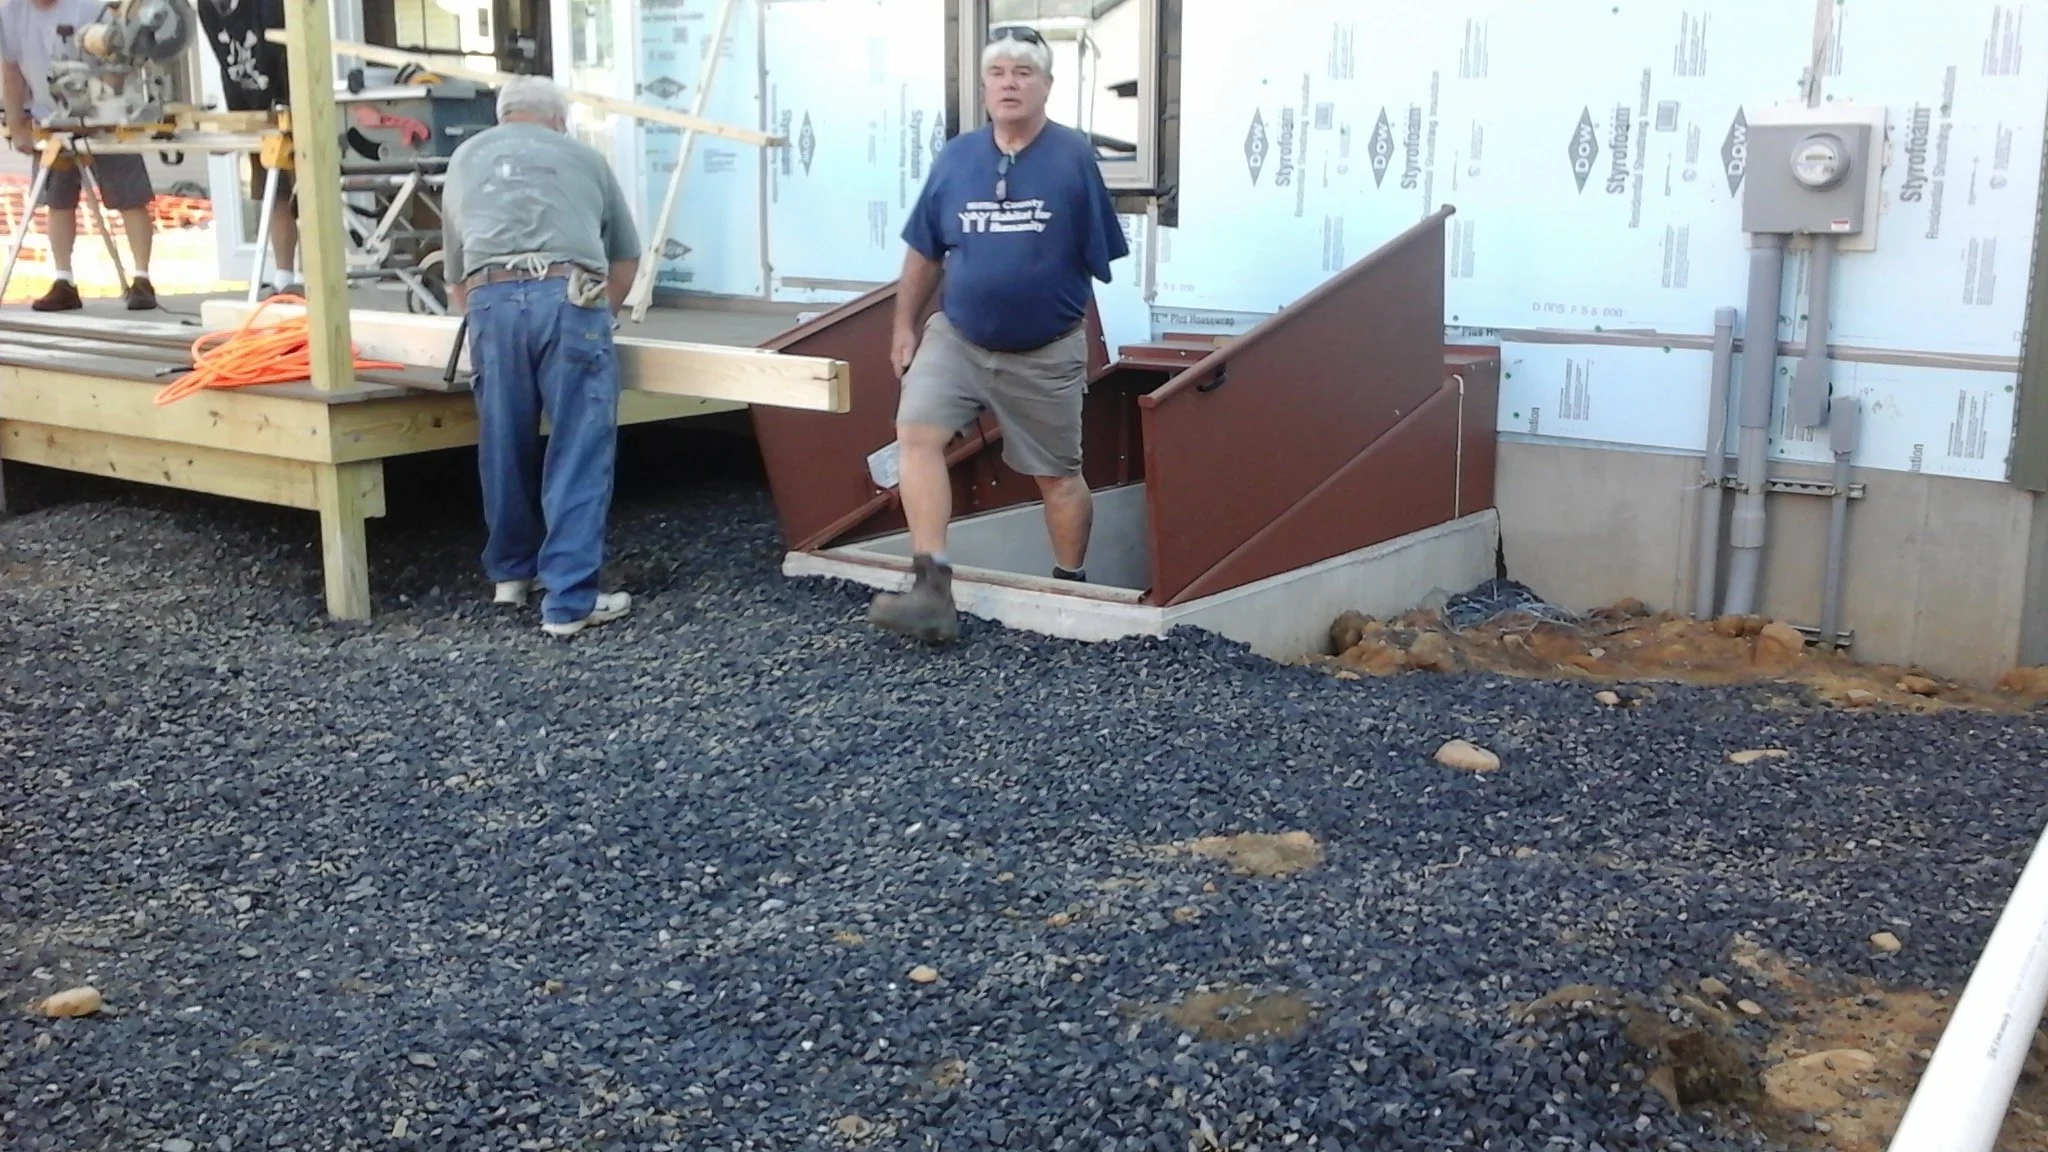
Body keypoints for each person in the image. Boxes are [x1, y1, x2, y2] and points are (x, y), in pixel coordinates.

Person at [868, 24, 1129, 644]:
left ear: (1047, 86)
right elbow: (925, 249)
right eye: (998, 72)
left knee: (1058, 477)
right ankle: (932, 589)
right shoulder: (957, 157)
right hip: (957, 336)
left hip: (1043, 349)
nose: (1010, 82)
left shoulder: (1072, 156)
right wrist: (904, 324)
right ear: (983, 86)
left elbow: (1098, 256)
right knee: (916, 433)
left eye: (1024, 72)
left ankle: (1072, 587)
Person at [443, 75, 640, 637]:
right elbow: (624, 257)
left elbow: (455, 270)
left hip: (489, 298)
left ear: (503, 115)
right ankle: (569, 602)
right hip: (569, 295)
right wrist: (604, 316)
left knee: (503, 440)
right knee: (578, 446)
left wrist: (486, 310)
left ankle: (510, 575)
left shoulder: (463, 158)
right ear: (558, 119)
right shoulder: (583, 156)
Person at [0, 0, 159, 311]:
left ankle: (142, 278)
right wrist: (16, 121)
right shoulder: (10, 12)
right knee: (56, 199)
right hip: (51, 117)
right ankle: (64, 280)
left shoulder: (89, 6)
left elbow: (117, 64)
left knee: (129, 196)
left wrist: (96, 105)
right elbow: (11, 69)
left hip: (106, 116)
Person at [195, 0, 297, 296]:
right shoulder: (207, 7)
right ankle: (284, 277)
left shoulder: (267, 5)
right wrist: (237, 117)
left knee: (304, 194)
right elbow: (223, 58)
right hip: (250, 108)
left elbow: (281, 52)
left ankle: (303, 274)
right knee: (273, 191)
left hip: (290, 99)